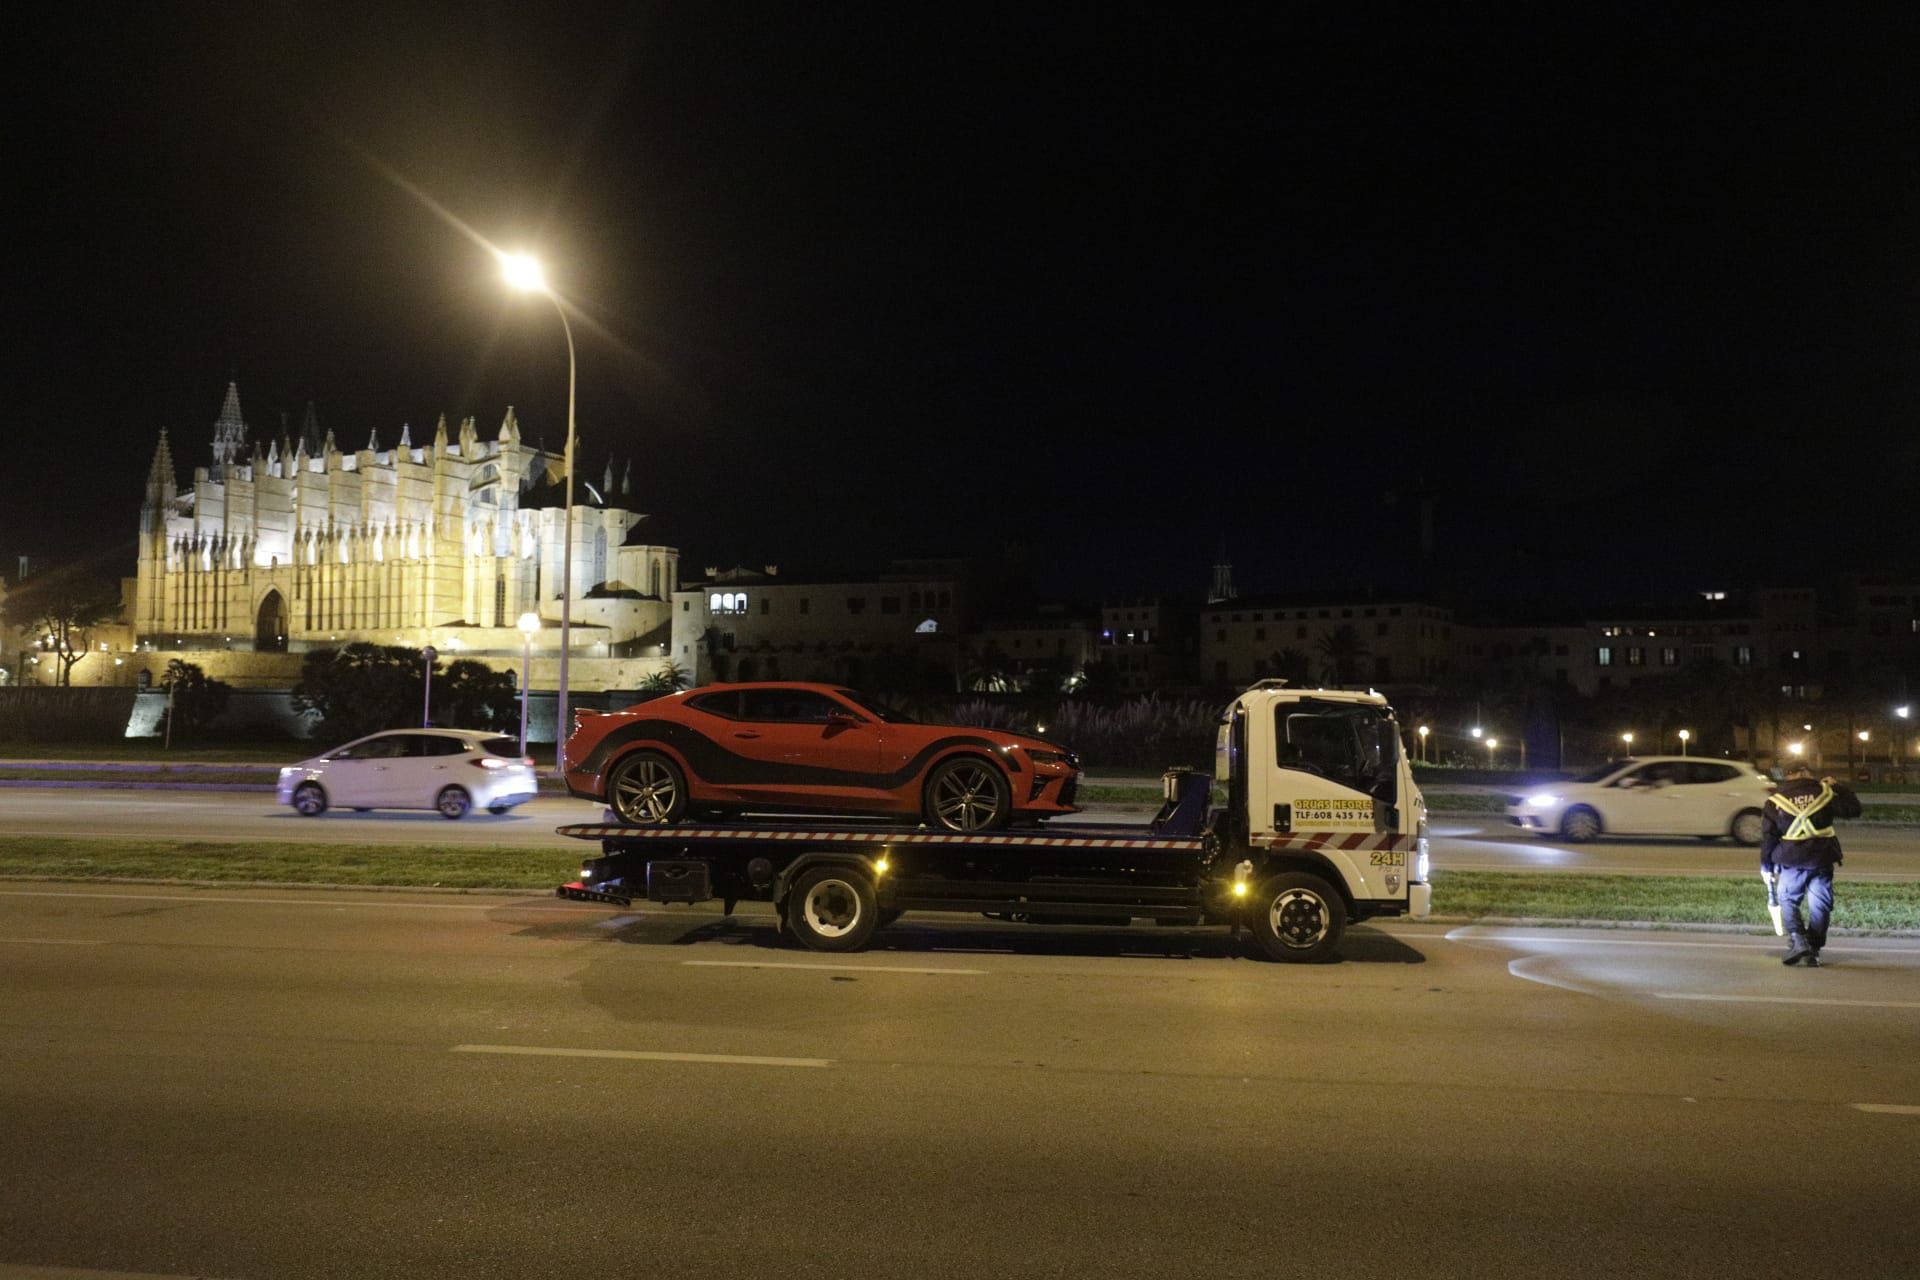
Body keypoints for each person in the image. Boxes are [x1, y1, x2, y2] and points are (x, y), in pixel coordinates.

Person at [1760, 762, 1862, 966]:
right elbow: (1854, 810)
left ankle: (1798, 940)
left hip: (1791, 859)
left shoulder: (1775, 800)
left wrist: (1766, 865)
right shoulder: (1825, 793)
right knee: (1820, 905)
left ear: (1788, 776)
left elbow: (1769, 836)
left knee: (1787, 899)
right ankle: (1813, 949)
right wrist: (1837, 786)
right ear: (1806, 774)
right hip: (1821, 858)